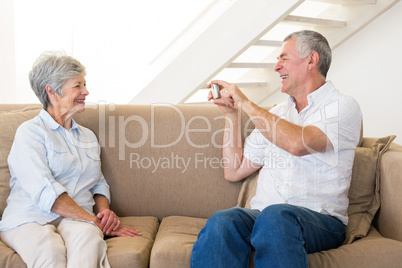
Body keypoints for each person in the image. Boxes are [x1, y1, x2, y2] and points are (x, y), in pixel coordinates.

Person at [191, 30, 362, 267]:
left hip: (321, 221)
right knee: (224, 220)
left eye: (284, 59)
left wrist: (247, 103)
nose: (276, 67)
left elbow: (298, 144)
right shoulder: (276, 115)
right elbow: (234, 170)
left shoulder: (342, 107)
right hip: (264, 218)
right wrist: (232, 116)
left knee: (276, 216)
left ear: (312, 60)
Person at [0, 52, 141, 268]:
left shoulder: (87, 136)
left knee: (89, 242)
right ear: (51, 90)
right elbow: (45, 191)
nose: (86, 91)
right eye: (77, 85)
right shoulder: (30, 133)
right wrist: (93, 220)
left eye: (84, 84)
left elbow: (98, 183)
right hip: (29, 218)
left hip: (77, 218)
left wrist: (104, 213)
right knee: (50, 251)